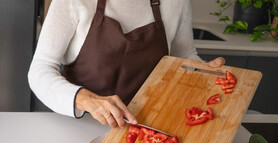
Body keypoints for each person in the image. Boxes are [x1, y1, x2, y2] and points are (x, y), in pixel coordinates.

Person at [28, 0, 225, 128]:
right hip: (75, 126)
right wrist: (87, 100)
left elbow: (184, 57)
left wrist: (209, 71)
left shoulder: (176, 3)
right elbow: (40, 69)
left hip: (143, 128)